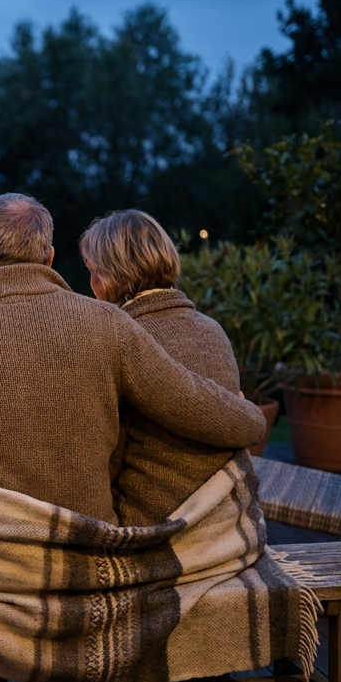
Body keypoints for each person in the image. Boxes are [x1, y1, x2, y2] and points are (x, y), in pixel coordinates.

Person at [0, 193, 264, 682]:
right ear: (48, 256)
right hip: (82, 548)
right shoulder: (109, 326)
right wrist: (251, 415)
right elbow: (191, 401)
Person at [80, 209, 240, 526]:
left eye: (92, 271)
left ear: (107, 276)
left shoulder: (116, 342)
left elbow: (101, 461)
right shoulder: (212, 330)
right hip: (224, 519)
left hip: (151, 527)